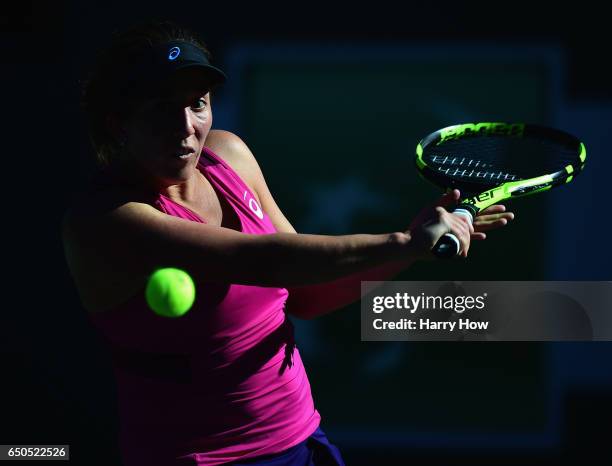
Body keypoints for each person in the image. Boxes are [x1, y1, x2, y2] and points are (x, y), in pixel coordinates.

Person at [62, 20, 514, 466]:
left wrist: (410, 251)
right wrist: (400, 240)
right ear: (119, 122)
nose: (186, 126)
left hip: (301, 442)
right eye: (163, 108)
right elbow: (265, 262)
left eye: (198, 104)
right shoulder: (106, 221)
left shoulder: (228, 156)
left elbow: (308, 294)